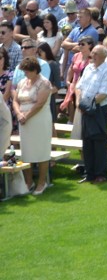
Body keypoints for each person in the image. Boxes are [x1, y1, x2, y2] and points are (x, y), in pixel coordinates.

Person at [13, 56, 53, 194]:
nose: (25, 74)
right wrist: (19, 114)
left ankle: (42, 182)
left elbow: (39, 104)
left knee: (41, 150)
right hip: (24, 120)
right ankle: (29, 181)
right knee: (27, 151)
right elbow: (15, 100)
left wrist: (27, 116)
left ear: (35, 70)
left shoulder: (44, 83)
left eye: (27, 71)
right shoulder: (22, 82)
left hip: (39, 120)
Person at [76, 45, 107, 183]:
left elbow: (103, 94)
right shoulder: (88, 68)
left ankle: (101, 174)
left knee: (98, 142)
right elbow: (79, 87)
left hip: (98, 110)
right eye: (92, 53)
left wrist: (86, 104)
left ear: (104, 56)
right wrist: (78, 102)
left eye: (96, 54)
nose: (93, 56)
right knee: (87, 142)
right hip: (85, 109)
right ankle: (89, 173)